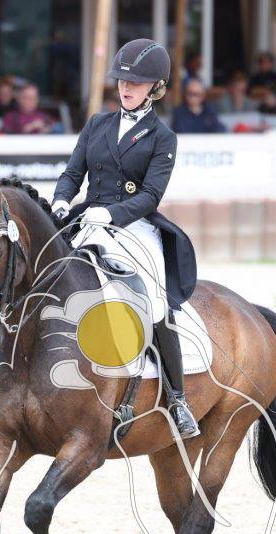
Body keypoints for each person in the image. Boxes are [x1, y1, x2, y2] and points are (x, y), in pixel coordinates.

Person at [51, 38, 202, 438]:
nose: (126, 87)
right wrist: (62, 200)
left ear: (156, 87)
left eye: (135, 82)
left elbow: (151, 195)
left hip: (134, 226)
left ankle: (178, 398)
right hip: (89, 219)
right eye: (121, 80)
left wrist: (112, 213)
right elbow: (73, 173)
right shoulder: (97, 124)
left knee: (153, 301)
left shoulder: (162, 137)